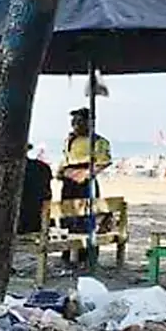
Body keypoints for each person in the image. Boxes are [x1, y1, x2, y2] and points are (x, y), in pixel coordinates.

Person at [58, 106, 111, 265]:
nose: (75, 125)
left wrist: (86, 174)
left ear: (90, 123)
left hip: (86, 182)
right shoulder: (69, 140)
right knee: (68, 217)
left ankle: (87, 254)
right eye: (74, 122)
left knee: (87, 217)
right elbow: (65, 160)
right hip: (69, 182)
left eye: (79, 122)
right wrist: (62, 172)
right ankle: (68, 253)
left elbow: (103, 162)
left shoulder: (98, 141)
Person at [18, 144, 53, 235]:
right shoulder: (42, 168)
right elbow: (46, 201)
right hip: (35, 226)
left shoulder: (2, 172)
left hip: (12, 227)